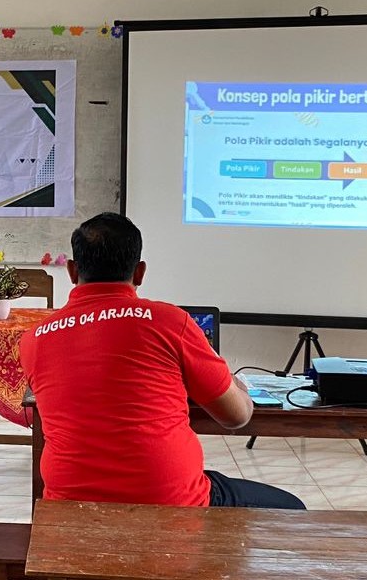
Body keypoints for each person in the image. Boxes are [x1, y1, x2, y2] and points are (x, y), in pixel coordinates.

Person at [20, 212, 305, 509]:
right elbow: (237, 417)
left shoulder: (34, 339)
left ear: (72, 271)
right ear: (140, 272)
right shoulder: (170, 322)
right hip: (172, 503)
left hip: (71, 506)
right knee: (292, 509)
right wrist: (233, 382)